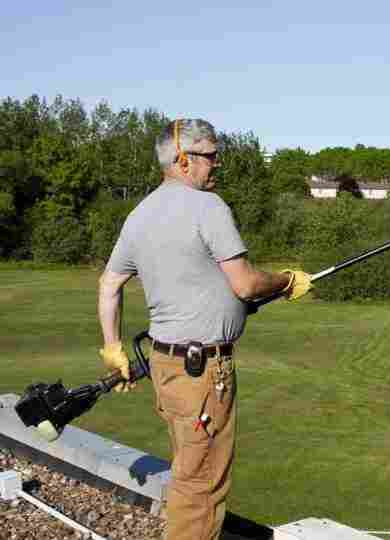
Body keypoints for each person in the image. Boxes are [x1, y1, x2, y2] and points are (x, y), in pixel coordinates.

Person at [97, 118, 312, 540]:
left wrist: (112, 348)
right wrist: (286, 280)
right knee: (202, 487)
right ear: (183, 159)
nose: (216, 165)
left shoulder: (140, 214)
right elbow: (246, 283)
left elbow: (109, 285)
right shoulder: (208, 207)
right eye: (210, 156)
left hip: (168, 369)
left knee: (188, 469)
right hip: (203, 375)